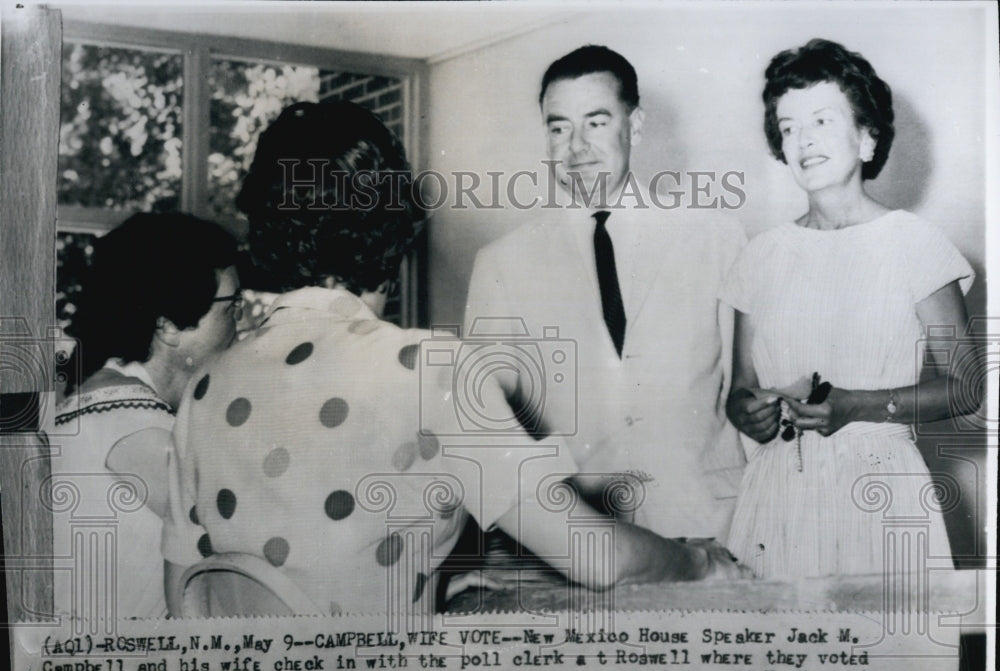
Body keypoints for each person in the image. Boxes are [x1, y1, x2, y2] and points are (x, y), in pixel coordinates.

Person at [162, 100, 748, 618]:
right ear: (391, 230)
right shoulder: (429, 368)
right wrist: (699, 562)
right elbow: (594, 556)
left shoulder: (205, 390)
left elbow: (187, 592)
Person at [722, 39, 982, 578]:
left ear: (867, 137)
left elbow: (965, 387)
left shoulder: (914, 242)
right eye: (788, 126)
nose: (802, 139)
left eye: (820, 120)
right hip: (778, 499)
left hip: (882, 493)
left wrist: (857, 405)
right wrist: (749, 411)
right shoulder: (760, 255)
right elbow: (741, 388)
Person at [464, 45, 747, 539]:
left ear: (633, 127)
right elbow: (487, 435)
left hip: (714, 530)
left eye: (595, 123)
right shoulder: (500, 266)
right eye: (558, 128)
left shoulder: (717, 238)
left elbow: (750, 395)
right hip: (580, 547)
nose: (575, 147)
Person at [50, 212, 242, 619]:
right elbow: (240, 539)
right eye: (232, 308)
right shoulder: (134, 426)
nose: (240, 327)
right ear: (170, 326)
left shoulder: (106, 402)